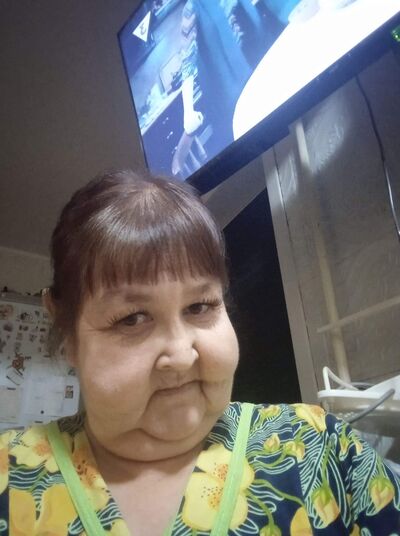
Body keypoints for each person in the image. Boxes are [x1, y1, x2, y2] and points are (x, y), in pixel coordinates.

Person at [1, 169, 400, 535]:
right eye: (132, 319)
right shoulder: (8, 472)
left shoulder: (319, 446)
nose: (181, 355)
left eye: (199, 306)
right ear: (68, 335)